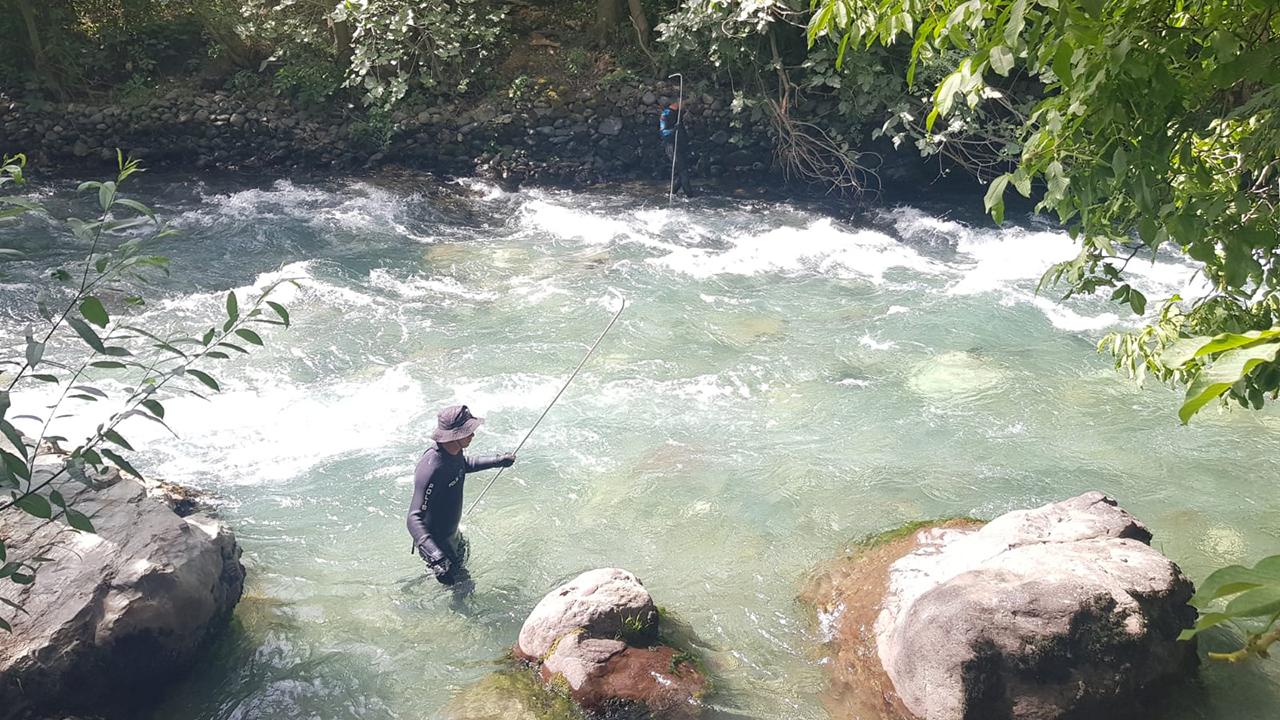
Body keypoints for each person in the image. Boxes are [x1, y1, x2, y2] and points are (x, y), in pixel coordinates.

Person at [407, 404, 515, 596]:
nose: (473, 435)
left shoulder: (454, 452)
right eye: (469, 431)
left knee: (459, 580)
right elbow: (414, 518)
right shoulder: (432, 468)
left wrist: (499, 460)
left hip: (452, 535)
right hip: (437, 544)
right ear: (455, 434)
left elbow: (463, 465)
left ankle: (419, 586)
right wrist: (436, 556)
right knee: (464, 589)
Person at [660, 100, 696, 197]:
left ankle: (672, 193)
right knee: (683, 171)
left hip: (682, 145)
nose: (684, 105)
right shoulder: (666, 114)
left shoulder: (680, 112)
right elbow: (663, 133)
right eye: (683, 102)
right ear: (677, 102)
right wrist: (673, 130)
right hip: (672, 146)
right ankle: (690, 196)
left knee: (684, 171)